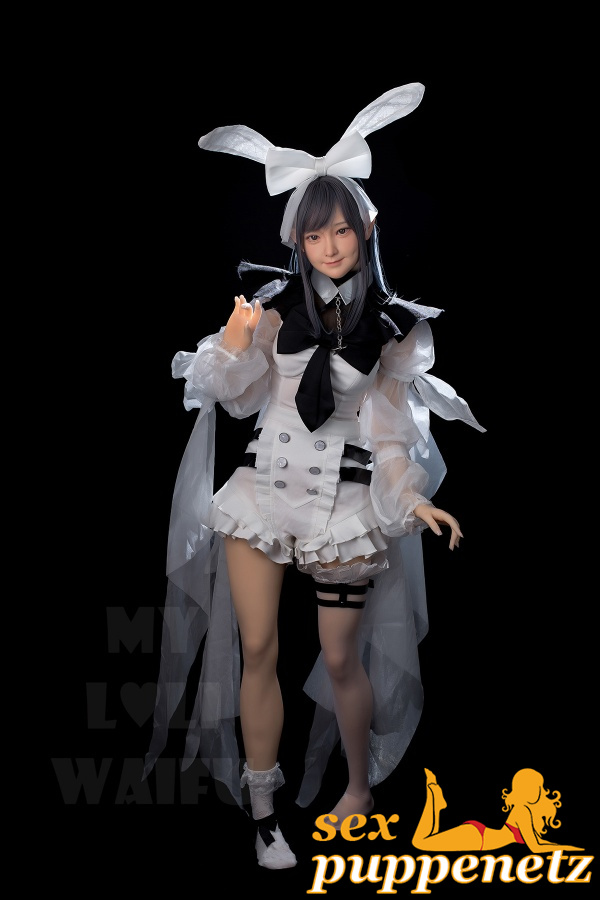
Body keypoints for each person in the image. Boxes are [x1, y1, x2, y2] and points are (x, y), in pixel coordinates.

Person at [143, 83, 485, 870]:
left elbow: (391, 436)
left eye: (341, 230)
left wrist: (414, 501)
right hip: (263, 491)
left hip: (343, 504)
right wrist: (233, 346)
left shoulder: (395, 330)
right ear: (296, 239)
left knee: (340, 658)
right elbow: (232, 398)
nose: (329, 246)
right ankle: (265, 814)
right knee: (258, 647)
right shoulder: (269, 308)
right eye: (314, 233)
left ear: (365, 229)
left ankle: (357, 787)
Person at [412, 767, 584, 852]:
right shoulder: (522, 811)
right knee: (420, 843)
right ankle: (433, 793)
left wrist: (559, 846)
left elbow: (539, 843)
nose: (539, 789)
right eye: (536, 786)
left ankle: (436, 801)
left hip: (480, 836)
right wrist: (566, 848)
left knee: (427, 839)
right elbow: (535, 847)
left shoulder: (526, 811)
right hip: (479, 838)